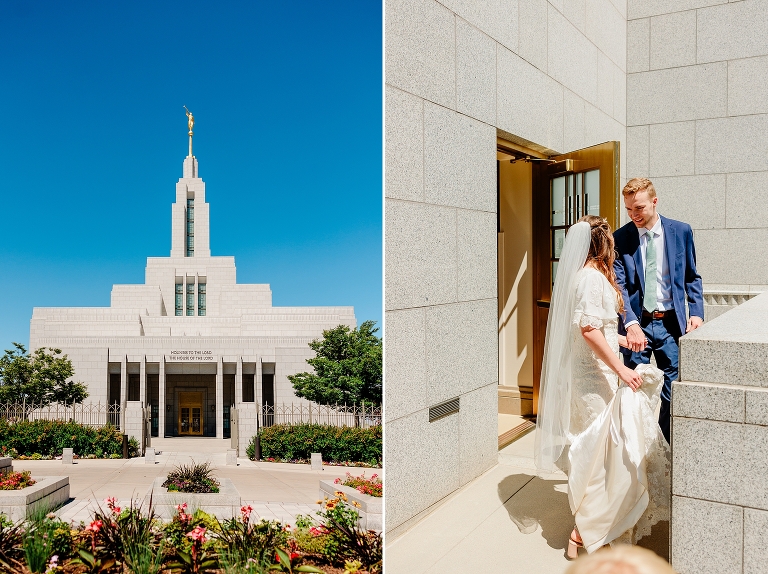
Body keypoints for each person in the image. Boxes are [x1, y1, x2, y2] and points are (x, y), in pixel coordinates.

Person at [534, 216, 670, 559]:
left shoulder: (587, 278)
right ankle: (584, 534)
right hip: (595, 380)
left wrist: (622, 338)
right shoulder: (591, 280)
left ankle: (595, 530)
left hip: (597, 374)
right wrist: (622, 368)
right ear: (603, 244)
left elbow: (597, 328)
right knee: (604, 457)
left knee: (605, 456)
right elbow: (589, 331)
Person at [613, 178, 704, 444]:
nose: (634, 215)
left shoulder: (681, 231)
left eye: (639, 208)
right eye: (629, 209)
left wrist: (696, 313)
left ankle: (661, 447)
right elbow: (619, 286)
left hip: (671, 324)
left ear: (654, 202)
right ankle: (636, 448)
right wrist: (630, 323)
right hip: (637, 326)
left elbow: (691, 276)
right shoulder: (621, 238)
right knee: (635, 389)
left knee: (671, 389)